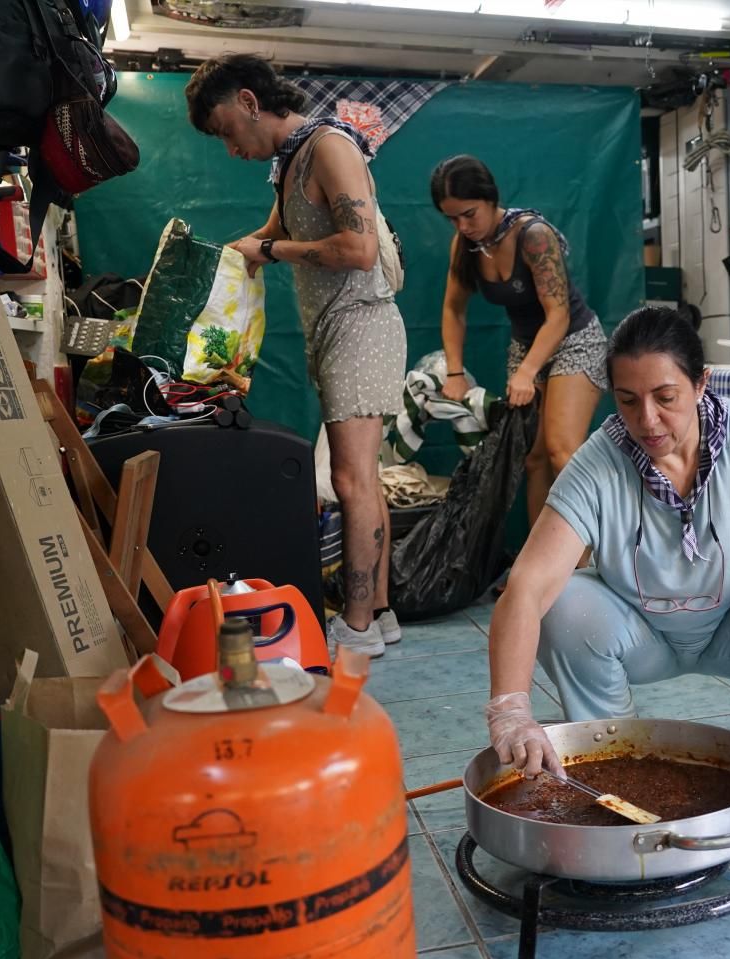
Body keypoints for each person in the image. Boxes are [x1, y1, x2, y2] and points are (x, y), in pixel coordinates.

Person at [481, 306, 730, 787]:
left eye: (666, 397)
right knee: (561, 605)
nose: (647, 421)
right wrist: (511, 709)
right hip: (642, 634)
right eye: (627, 401)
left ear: (701, 384)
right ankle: (610, 744)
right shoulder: (599, 463)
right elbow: (527, 587)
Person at [185, 55, 404, 658]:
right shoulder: (292, 161)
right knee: (364, 478)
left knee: (349, 479)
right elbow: (266, 236)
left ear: (251, 102)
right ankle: (380, 612)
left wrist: (274, 250)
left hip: (362, 324)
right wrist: (217, 258)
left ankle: (356, 629)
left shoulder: (330, 146)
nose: (230, 149)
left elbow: (359, 250)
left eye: (227, 131)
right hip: (337, 329)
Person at [430, 155, 606, 524]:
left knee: (562, 452)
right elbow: (453, 311)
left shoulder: (533, 235)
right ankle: (541, 567)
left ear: (491, 199)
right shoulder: (465, 246)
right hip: (527, 345)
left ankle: (590, 563)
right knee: (534, 459)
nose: (462, 226)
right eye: (452, 218)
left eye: (469, 213)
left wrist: (526, 372)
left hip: (575, 339)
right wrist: (454, 372)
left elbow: (558, 315)